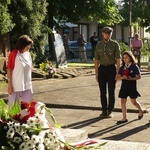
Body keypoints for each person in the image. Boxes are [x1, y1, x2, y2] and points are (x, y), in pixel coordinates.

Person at [94, 26, 121, 118]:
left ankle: (110, 110)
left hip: (111, 69)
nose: (107, 35)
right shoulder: (99, 44)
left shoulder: (114, 44)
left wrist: (118, 73)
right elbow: (97, 59)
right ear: (102, 34)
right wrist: (96, 73)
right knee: (102, 91)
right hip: (102, 69)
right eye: (105, 33)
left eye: (109, 33)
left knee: (111, 91)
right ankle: (104, 110)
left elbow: (118, 59)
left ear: (111, 34)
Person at [7, 35, 33, 108]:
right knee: (13, 108)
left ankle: (27, 119)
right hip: (16, 85)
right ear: (23, 45)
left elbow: (30, 67)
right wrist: (9, 85)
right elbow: (9, 69)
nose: (29, 47)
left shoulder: (28, 54)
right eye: (28, 45)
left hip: (27, 85)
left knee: (28, 107)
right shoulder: (14, 54)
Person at [117, 51, 143, 124]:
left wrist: (131, 78)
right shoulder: (122, 67)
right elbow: (118, 76)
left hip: (132, 85)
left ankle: (140, 110)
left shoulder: (134, 66)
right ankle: (124, 118)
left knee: (133, 101)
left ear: (130, 58)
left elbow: (139, 76)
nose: (125, 59)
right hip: (124, 85)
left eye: (126, 57)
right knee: (123, 101)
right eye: (124, 58)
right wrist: (123, 77)